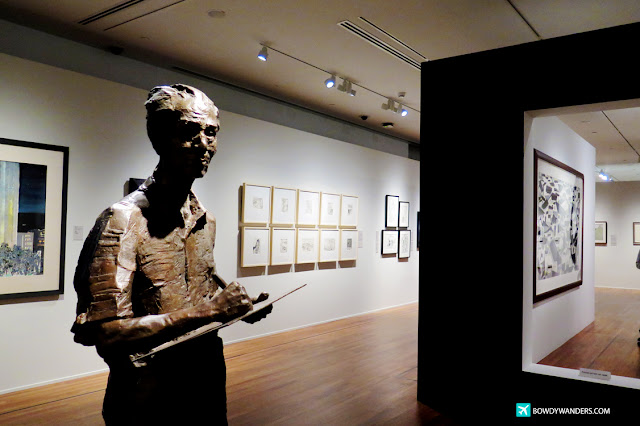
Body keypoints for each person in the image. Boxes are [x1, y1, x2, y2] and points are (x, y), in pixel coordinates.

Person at [71, 84, 269, 425]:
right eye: (190, 131)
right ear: (160, 138)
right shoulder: (123, 220)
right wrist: (211, 311)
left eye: (211, 132)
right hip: (148, 393)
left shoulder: (205, 220)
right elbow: (107, 333)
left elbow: (197, 297)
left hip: (206, 379)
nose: (204, 144)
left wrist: (236, 309)